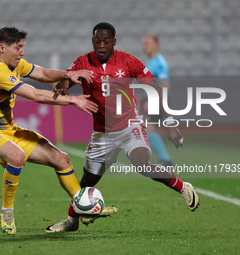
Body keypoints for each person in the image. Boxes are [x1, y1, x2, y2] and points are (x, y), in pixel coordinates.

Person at [45, 22, 200, 233]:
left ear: (113, 42)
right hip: (102, 133)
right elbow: (67, 80)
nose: (101, 45)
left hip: (130, 127)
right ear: (92, 42)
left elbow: (155, 88)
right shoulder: (83, 61)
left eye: (106, 42)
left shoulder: (128, 61)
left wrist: (170, 122)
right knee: (88, 182)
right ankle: (71, 223)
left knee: (142, 164)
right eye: (97, 41)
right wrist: (62, 86)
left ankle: (184, 188)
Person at [0, 26, 98, 235]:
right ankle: (7, 211)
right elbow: (36, 95)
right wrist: (73, 100)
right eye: (18, 47)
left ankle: (83, 206)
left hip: (9, 130)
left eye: (23, 47)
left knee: (61, 159)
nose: (22, 52)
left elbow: (43, 74)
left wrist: (68, 74)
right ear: (2, 48)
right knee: (16, 156)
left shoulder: (14, 64)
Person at [142, 34, 173, 166]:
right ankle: (164, 159)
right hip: (151, 101)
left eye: (147, 43)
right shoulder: (151, 62)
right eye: (144, 44)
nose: (144, 47)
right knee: (148, 130)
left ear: (156, 45)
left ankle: (165, 160)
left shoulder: (159, 63)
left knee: (149, 130)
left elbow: (165, 84)